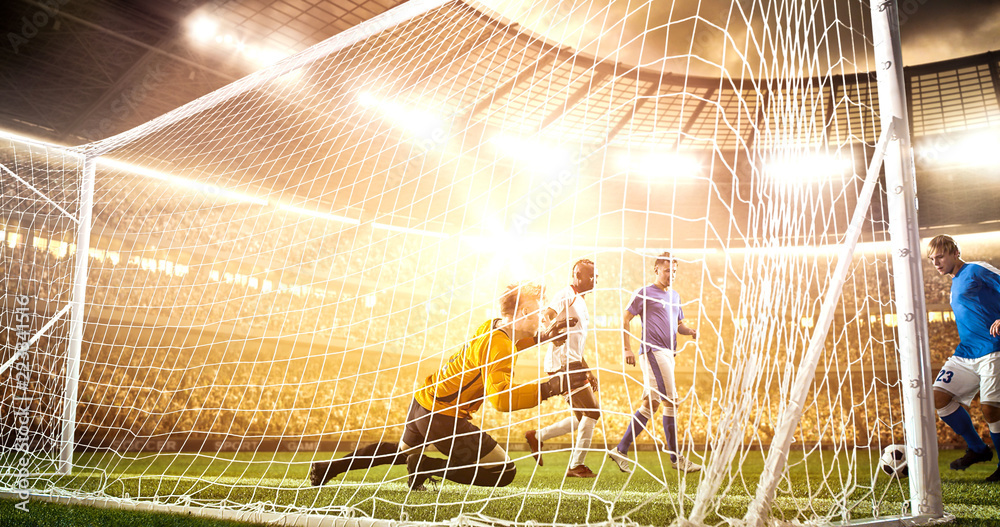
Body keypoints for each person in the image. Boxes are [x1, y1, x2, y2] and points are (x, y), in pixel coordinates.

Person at [309, 282, 575, 490]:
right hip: (442, 416)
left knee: (402, 452)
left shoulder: (492, 327)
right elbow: (501, 401)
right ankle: (426, 467)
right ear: (525, 312)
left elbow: (514, 341)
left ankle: (328, 468)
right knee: (503, 471)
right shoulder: (500, 346)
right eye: (539, 310)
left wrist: (542, 336)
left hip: (423, 402)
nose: (543, 316)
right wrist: (551, 387)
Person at [607, 251, 701, 474]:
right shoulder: (644, 293)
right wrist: (626, 348)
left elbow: (679, 325)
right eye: (668, 270)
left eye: (675, 271)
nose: (672, 274)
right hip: (653, 350)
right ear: (656, 270)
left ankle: (620, 449)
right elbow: (625, 318)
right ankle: (676, 458)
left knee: (652, 404)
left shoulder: (676, 296)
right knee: (672, 402)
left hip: (669, 353)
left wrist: (690, 331)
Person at [927, 235, 1000, 482]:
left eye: (940, 256)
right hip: (966, 353)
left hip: (993, 348)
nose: (936, 262)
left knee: (990, 410)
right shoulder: (955, 282)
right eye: (932, 259)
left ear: (955, 252)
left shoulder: (976, 270)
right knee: (938, 396)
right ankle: (978, 449)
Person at [525, 259, 601, 478]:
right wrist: (551, 333)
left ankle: (537, 436)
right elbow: (547, 315)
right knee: (593, 412)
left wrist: (588, 370)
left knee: (581, 417)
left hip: (574, 363)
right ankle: (576, 465)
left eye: (596, 276)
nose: (594, 279)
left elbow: (576, 344)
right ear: (577, 275)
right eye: (590, 275)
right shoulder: (566, 294)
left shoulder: (582, 302)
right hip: (562, 364)